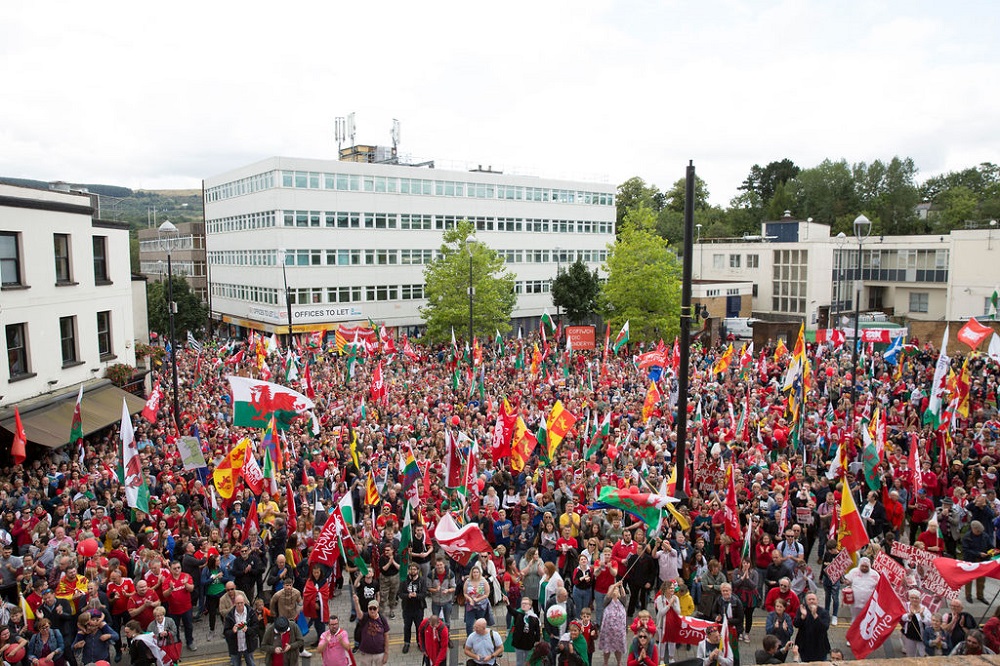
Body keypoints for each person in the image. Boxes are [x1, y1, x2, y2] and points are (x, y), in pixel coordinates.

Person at [223, 592, 261, 666]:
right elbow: (225, 632)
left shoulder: (251, 613)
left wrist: (248, 630)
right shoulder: (230, 616)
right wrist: (232, 631)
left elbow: (256, 628)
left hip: (248, 645)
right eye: (238, 603)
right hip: (235, 647)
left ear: (244, 602)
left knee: (251, 663)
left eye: (241, 603)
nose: (240, 605)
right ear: (234, 603)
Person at [792, 593, 829, 663]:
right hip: (805, 646)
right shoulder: (801, 609)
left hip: (820, 646)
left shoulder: (824, 612)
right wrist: (803, 616)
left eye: (813, 599)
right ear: (806, 601)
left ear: (817, 601)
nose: (811, 601)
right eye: (809, 599)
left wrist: (815, 615)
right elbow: (796, 624)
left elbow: (824, 628)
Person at [400, 563, 428, 654]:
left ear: (418, 570)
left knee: (419, 627)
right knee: (407, 627)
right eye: (411, 569)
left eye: (414, 569)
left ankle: (420, 642)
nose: (412, 571)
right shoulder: (404, 581)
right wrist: (408, 595)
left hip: (418, 608)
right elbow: (400, 594)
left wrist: (417, 595)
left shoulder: (422, 581)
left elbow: (424, 594)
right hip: (407, 608)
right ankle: (407, 643)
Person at [353, 600, 389, 666]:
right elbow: (359, 613)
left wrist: (386, 653)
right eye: (370, 608)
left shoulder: (382, 619)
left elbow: (386, 636)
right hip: (366, 653)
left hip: (379, 653)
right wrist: (356, 602)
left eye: (374, 608)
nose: (372, 611)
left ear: (378, 609)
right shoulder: (364, 617)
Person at [598, 584, 627, 666]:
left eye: (616, 589)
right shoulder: (607, 601)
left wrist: (621, 586)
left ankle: (619, 662)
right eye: (613, 589)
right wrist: (614, 586)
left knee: (619, 648)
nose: (615, 590)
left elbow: (624, 596)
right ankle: (605, 662)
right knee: (607, 648)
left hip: (619, 631)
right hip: (608, 630)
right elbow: (607, 596)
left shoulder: (622, 601)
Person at [510, 597, 542, 666]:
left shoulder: (534, 617)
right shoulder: (518, 614)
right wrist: (507, 603)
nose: (523, 605)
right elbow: (511, 611)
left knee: (528, 661)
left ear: (530, 606)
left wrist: (537, 640)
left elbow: (537, 630)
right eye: (522, 603)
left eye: (525, 603)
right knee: (519, 662)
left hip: (529, 644)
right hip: (519, 643)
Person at [900, 590, 932, 657]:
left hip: (921, 636)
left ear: (920, 599)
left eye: (916, 598)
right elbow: (902, 617)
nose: (914, 600)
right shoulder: (906, 606)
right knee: (910, 655)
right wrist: (909, 615)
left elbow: (929, 622)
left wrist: (922, 616)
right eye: (912, 598)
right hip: (909, 635)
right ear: (909, 598)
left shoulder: (924, 609)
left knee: (923, 654)